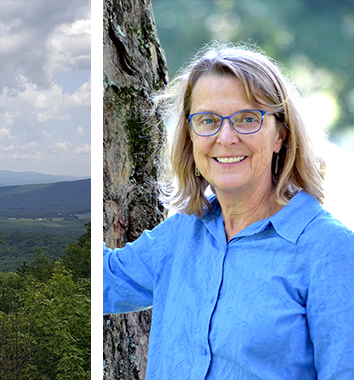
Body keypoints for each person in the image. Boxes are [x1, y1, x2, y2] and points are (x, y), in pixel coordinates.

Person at [103, 42, 354, 379]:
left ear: (280, 134)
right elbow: (102, 281)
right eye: (207, 120)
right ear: (191, 136)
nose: (226, 137)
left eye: (247, 118)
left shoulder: (330, 250)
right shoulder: (181, 235)